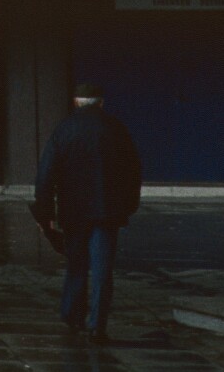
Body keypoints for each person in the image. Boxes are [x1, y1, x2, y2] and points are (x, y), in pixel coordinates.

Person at [31, 81, 142, 342]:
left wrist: (44, 212)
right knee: (103, 269)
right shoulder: (116, 129)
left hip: (74, 211)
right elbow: (133, 171)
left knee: (76, 264)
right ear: (101, 102)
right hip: (107, 211)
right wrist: (128, 205)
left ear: (76, 102)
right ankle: (97, 324)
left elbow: (46, 174)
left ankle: (72, 315)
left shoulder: (64, 130)